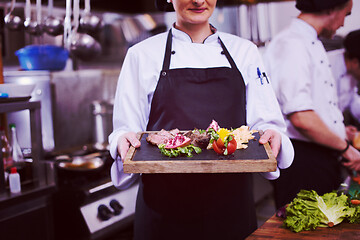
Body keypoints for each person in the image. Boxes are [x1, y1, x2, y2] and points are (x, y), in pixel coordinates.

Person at [109, 0, 294, 239]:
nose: (198, 0)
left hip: (230, 205)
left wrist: (272, 135)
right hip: (163, 208)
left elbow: (266, 122)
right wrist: (123, 141)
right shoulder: (141, 55)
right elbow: (126, 128)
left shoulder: (244, 51)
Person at [263, 0, 360, 210]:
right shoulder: (291, 43)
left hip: (320, 156)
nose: (344, 23)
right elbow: (301, 118)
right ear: (332, 8)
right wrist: (346, 149)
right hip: (303, 160)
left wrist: (339, 130)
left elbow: (315, 105)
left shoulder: (309, 41)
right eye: (346, 13)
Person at [327, 30, 360, 141]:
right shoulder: (327, 65)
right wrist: (340, 130)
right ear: (355, 62)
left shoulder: (352, 72)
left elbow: (352, 99)